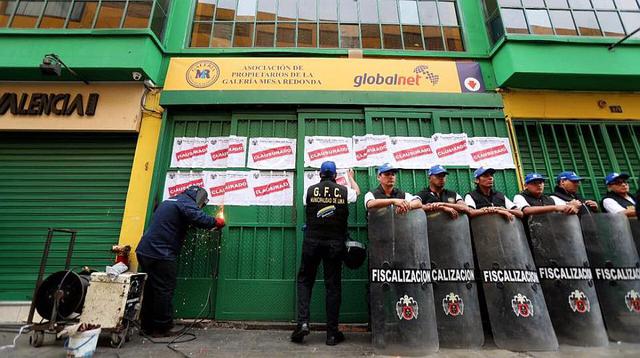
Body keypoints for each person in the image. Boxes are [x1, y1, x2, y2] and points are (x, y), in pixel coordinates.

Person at [135, 186, 225, 338]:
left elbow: (178, 221)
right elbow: (199, 218)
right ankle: (162, 328)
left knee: (151, 289)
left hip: (144, 251)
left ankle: (147, 326)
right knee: (164, 289)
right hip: (161, 254)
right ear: (199, 198)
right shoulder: (185, 203)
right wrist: (216, 222)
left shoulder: (170, 201)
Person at [291, 161, 360, 346]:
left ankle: (303, 323)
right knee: (333, 287)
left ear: (320, 175)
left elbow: (306, 206)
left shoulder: (310, 190)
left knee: (305, 281)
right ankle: (331, 334)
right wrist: (351, 178)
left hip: (312, 243)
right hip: (335, 245)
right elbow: (357, 193)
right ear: (336, 175)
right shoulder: (345, 191)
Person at [513, 173, 578, 216]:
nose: (539, 185)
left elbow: (564, 206)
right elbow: (526, 210)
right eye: (534, 183)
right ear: (526, 186)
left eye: (541, 183)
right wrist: (555, 208)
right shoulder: (519, 197)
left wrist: (572, 206)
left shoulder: (549, 198)